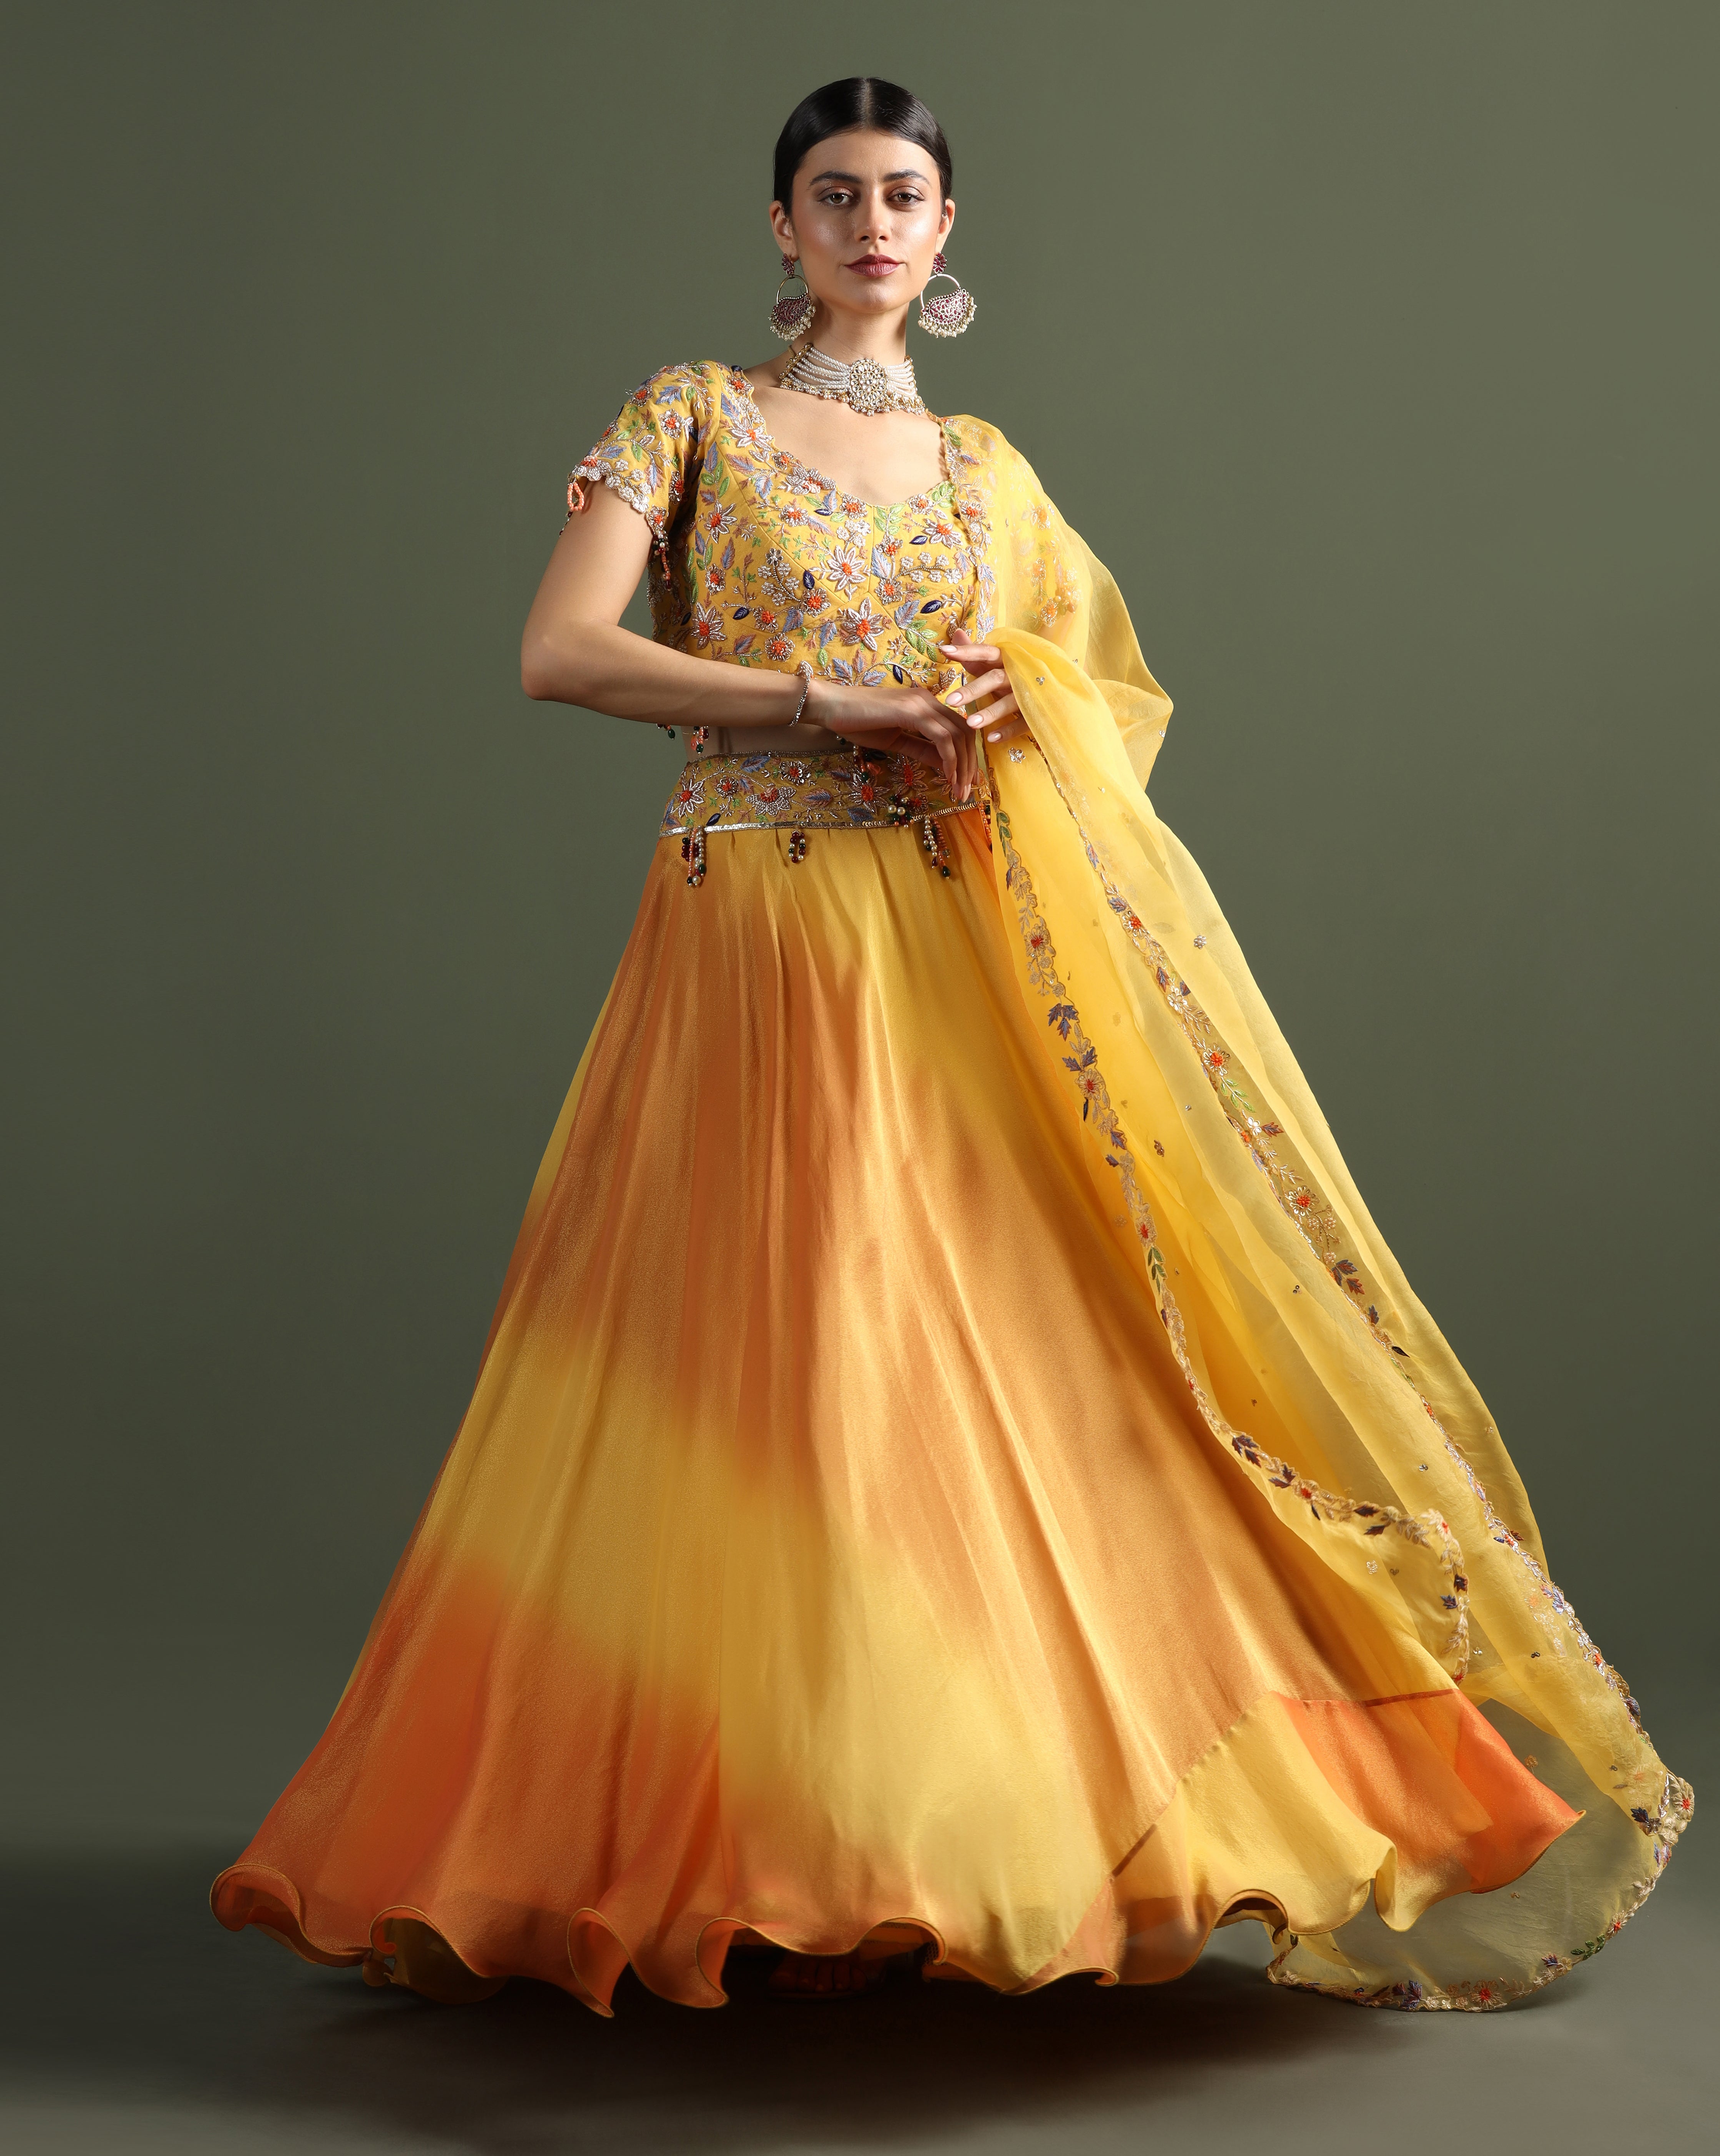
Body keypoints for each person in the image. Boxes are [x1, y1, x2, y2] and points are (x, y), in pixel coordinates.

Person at [213, 77, 1689, 2012]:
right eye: (834, 194)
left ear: (945, 227)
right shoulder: (691, 416)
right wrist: (828, 699)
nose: (872, 224)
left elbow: (1109, 704)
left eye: (903, 194)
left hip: (959, 958)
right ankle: (765, 1842)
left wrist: (1018, 692)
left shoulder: (989, 471)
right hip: (758, 941)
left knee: (1008, 1370)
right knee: (778, 1371)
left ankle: (988, 1835)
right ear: (781, 226)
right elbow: (559, 651)